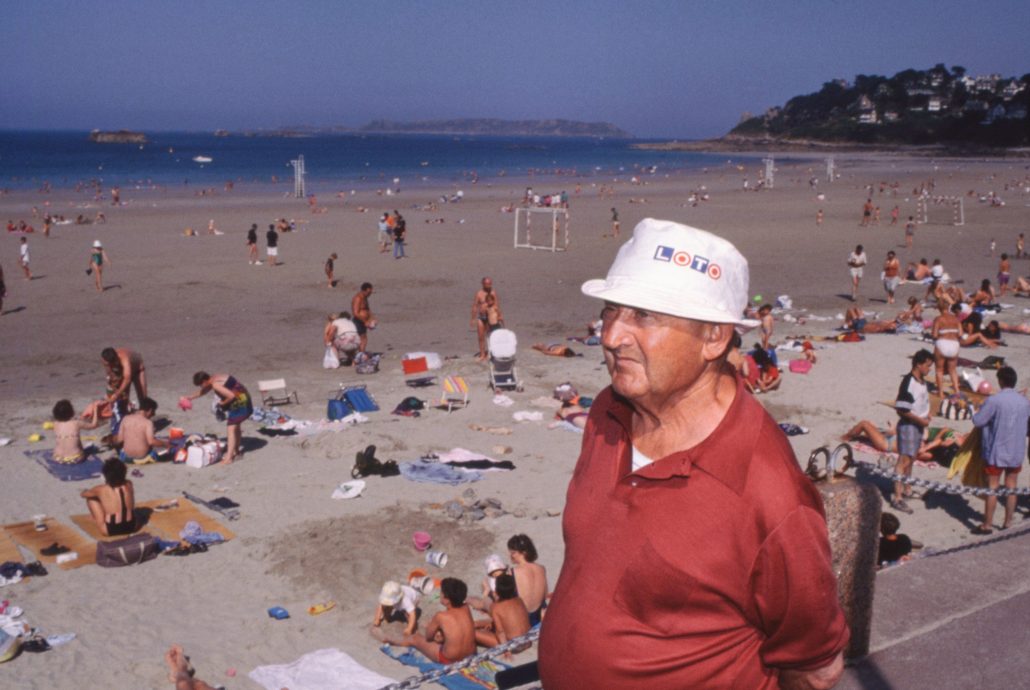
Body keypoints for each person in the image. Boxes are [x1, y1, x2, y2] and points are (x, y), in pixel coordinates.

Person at [538, 219, 848, 689]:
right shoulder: (607, 411)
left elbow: (816, 668)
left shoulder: (769, 494)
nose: (612, 336)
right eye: (610, 311)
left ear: (714, 338)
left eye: (644, 316)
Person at [971, 366, 1030, 534]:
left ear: (1001, 381)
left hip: (997, 451)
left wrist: (974, 410)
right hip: (1016, 451)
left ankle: (988, 524)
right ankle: (1008, 522)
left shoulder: (994, 400)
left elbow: (978, 421)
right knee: (1012, 486)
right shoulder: (1025, 402)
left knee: (993, 487)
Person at [374, 577, 476, 666]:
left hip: (449, 659)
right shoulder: (466, 608)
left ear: (447, 600)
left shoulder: (441, 616)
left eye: (441, 592)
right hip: (471, 655)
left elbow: (428, 637)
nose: (439, 594)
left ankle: (390, 640)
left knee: (415, 638)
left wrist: (433, 631)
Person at [891, 349, 935, 515]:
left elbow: (920, 403)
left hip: (918, 426)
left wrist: (926, 416)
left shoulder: (922, 382)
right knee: (904, 460)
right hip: (909, 426)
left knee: (912, 459)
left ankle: (907, 489)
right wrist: (920, 420)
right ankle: (897, 497)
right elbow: (901, 409)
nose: (929, 369)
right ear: (918, 364)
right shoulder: (908, 382)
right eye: (927, 365)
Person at [186, 372, 252, 464]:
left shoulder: (215, 384)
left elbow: (231, 396)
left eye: (200, 385)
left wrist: (222, 403)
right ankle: (236, 451)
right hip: (244, 398)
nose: (201, 387)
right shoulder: (215, 378)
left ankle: (229, 458)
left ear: (204, 381)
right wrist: (189, 397)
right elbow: (203, 391)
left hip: (240, 403)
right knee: (236, 426)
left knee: (231, 429)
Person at [474, 573, 530, 657]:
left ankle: (474, 626)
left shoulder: (495, 607)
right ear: (514, 589)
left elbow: (500, 632)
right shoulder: (519, 600)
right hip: (528, 640)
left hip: (513, 646)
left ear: (496, 590)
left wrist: (505, 650)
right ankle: (477, 624)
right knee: (487, 622)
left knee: (473, 633)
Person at [80, 458, 137, 537]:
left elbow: (83, 495)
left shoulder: (101, 489)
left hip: (110, 530)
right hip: (132, 527)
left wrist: (84, 491)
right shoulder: (129, 483)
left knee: (91, 499)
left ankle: (96, 519)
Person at [507, 534, 548, 626]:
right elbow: (544, 594)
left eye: (513, 553)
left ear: (524, 553)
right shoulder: (541, 568)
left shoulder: (512, 572)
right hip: (541, 617)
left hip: (524, 620)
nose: (510, 556)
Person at [117, 397, 169, 463]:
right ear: (150, 410)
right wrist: (165, 444)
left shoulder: (125, 419)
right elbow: (151, 442)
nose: (153, 415)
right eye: (153, 412)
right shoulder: (147, 423)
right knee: (159, 450)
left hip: (126, 457)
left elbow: (120, 439)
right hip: (142, 457)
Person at [52, 399, 101, 463]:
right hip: (76, 458)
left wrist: (81, 418)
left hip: (58, 458)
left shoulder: (55, 424)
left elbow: (67, 424)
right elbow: (94, 425)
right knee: (83, 444)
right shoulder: (77, 423)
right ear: (71, 411)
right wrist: (95, 410)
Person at [932, 304, 962, 395]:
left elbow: (934, 335)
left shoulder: (938, 319)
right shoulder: (956, 319)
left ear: (939, 308)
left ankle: (941, 392)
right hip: (954, 344)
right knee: (952, 370)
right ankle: (957, 391)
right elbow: (960, 334)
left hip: (942, 343)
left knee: (939, 370)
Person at [470, 278, 502, 361]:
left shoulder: (493, 293)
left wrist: (498, 316)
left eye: (490, 284)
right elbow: (475, 305)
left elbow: (496, 305)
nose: (489, 286)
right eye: (487, 284)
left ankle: (492, 353)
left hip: (490, 318)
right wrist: (473, 318)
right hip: (481, 317)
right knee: (480, 336)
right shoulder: (479, 294)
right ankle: (482, 354)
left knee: (490, 336)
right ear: (483, 284)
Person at [351, 282, 376, 353]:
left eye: (370, 292)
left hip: (363, 321)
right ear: (363, 290)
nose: (369, 294)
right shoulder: (358, 298)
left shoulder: (365, 298)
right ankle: (360, 353)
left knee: (363, 337)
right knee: (362, 338)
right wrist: (365, 321)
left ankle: (361, 353)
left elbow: (367, 309)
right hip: (358, 321)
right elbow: (355, 313)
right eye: (368, 292)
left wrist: (372, 318)